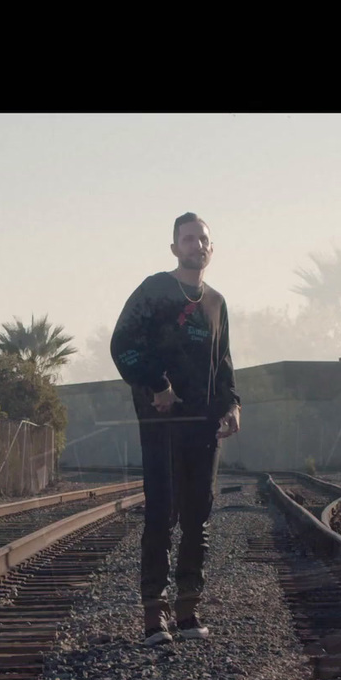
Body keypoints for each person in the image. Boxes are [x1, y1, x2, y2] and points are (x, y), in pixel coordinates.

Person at [110, 212, 242, 646]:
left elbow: (222, 363)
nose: (196, 246)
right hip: (163, 426)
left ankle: (187, 612)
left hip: (202, 430)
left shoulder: (217, 302)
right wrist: (157, 385)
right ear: (174, 248)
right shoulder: (154, 292)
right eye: (188, 239)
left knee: (197, 518)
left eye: (202, 239)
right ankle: (154, 618)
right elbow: (123, 345)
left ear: (211, 248)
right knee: (161, 517)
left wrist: (233, 405)